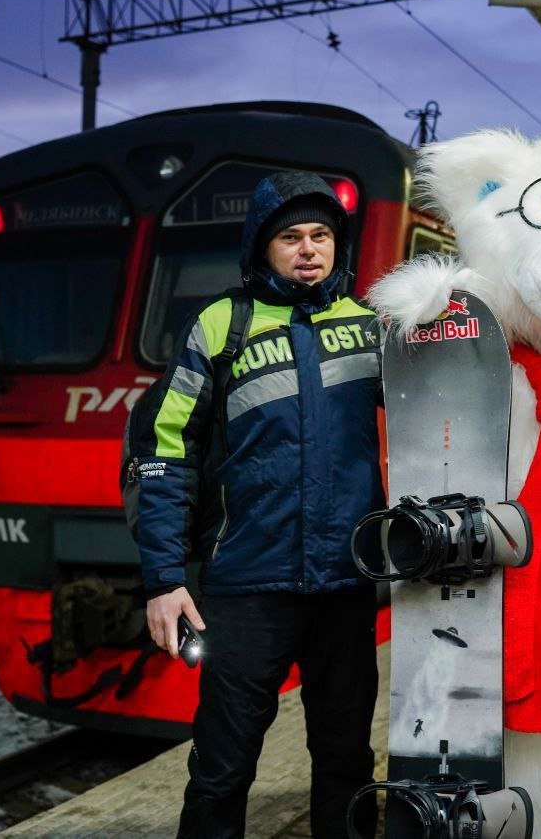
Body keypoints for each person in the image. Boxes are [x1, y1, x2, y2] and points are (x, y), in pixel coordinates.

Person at [129, 170, 384, 838]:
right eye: (291, 237)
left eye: (321, 235)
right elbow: (164, 452)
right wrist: (163, 581)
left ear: (338, 245)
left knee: (348, 762)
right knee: (221, 766)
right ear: (261, 249)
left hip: (346, 584)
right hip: (245, 589)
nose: (308, 249)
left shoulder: (370, 327)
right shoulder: (222, 325)